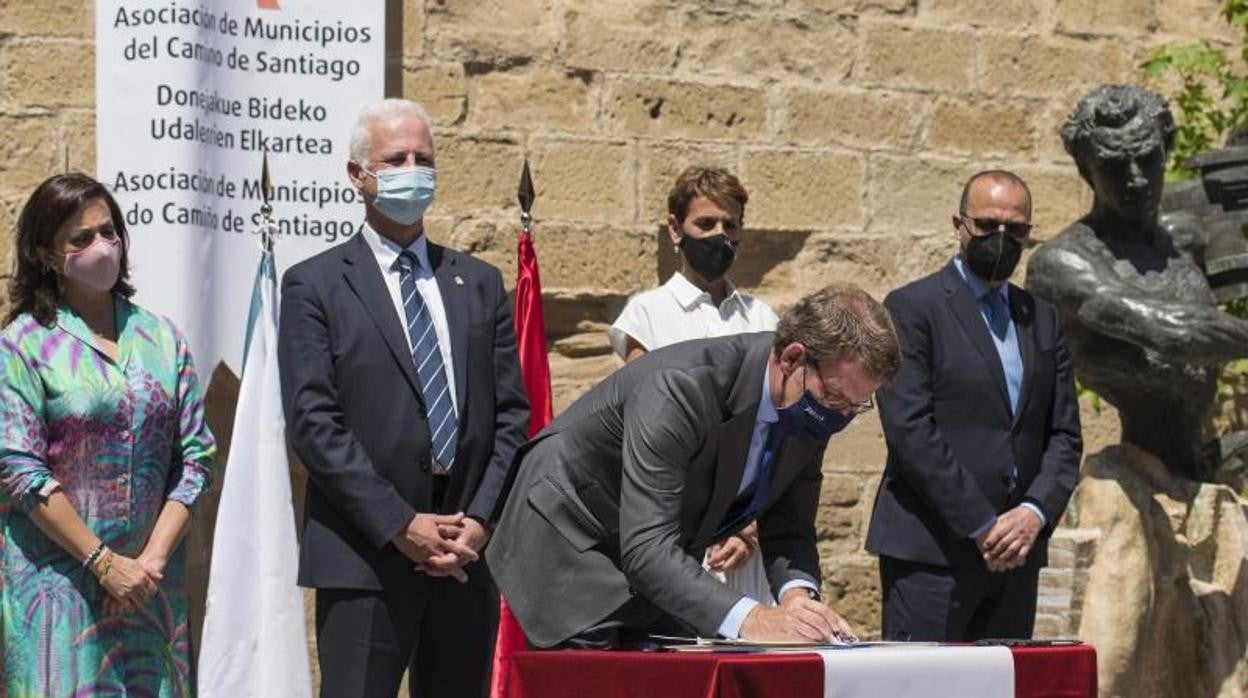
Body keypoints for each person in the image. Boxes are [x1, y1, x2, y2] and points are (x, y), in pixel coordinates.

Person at [278, 98, 529, 697]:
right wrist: (398, 524)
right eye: (395, 160)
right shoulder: (315, 284)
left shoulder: (479, 282)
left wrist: (480, 522)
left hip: (464, 556)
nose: (413, 171)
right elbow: (314, 422)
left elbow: (510, 416)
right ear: (357, 174)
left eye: (424, 159)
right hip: (366, 557)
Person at [488, 284, 900, 649]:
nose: (840, 417)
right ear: (793, 359)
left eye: (855, 407)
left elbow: (790, 525)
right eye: (834, 398)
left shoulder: (809, 405)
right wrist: (754, 618)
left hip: (653, 555)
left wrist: (798, 601)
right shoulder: (681, 387)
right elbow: (648, 548)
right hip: (572, 537)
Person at [0, 173, 216, 695]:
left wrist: (149, 565)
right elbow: (18, 469)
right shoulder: (23, 345)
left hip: (149, 593)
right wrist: (103, 562)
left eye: (109, 231)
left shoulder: (161, 338)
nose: (102, 245)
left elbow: (196, 458)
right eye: (82, 238)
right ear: (46, 255)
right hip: (58, 594)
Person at [866, 170, 1083, 642]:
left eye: (1016, 229)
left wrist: (1034, 512)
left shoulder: (1042, 319)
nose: (1001, 238)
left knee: (1003, 680)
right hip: (931, 554)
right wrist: (981, 524)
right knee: (921, 681)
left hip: (1017, 557)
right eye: (987, 225)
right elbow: (910, 428)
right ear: (958, 225)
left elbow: (1064, 435)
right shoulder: (912, 308)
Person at [1027, 84, 1248, 482]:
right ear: (1085, 170)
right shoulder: (1064, 263)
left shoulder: (1183, 239)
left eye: (1148, 159)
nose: (1136, 179)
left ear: (1167, 149)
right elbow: (1171, 332)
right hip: (1133, 477)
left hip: (1198, 470)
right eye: (1115, 165)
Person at [608, 165, 779, 603]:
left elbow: (776, 432)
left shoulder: (763, 319)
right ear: (675, 229)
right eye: (705, 223)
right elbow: (646, 431)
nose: (719, 235)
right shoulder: (646, 316)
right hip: (676, 529)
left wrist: (749, 525)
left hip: (747, 536)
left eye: (730, 225)